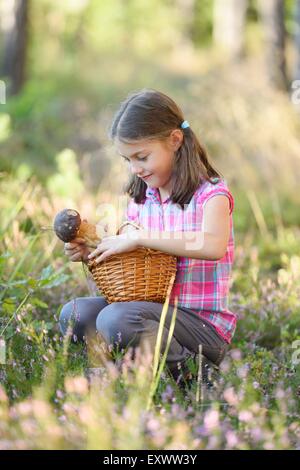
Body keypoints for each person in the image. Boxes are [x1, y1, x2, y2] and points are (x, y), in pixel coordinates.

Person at [59, 88, 236, 386]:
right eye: (127, 160)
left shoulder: (211, 195)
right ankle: (125, 373)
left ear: (175, 140)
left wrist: (142, 238)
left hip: (201, 326)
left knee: (115, 319)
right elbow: (130, 283)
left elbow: (212, 245)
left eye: (142, 157)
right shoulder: (143, 200)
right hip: (148, 311)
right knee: (75, 313)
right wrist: (95, 256)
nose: (134, 169)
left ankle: (195, 377)